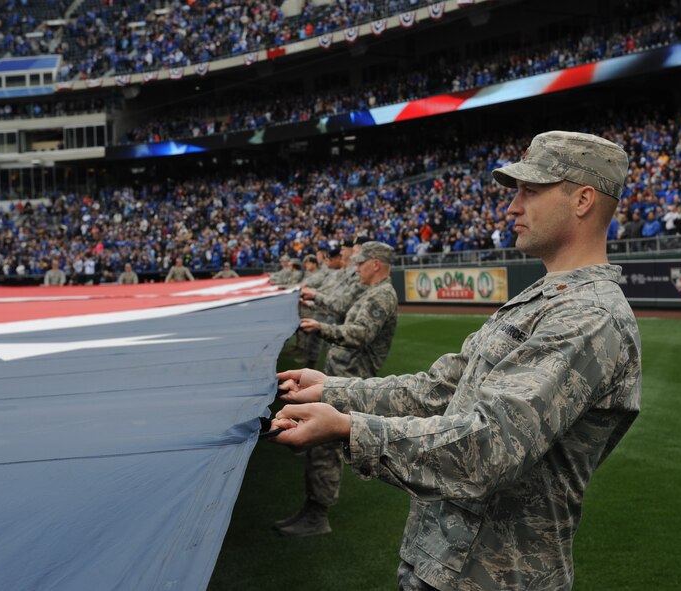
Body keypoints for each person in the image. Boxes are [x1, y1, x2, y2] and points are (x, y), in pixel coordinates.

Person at [271, 131, 642, 590]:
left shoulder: (588, 317)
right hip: (443, 563)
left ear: (583, 199)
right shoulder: (544, 298)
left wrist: (349, 428)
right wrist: (331, 389)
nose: (512, 206)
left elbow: (491, 446)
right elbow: (440, 390)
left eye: (530, 191)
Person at [274, 241, 399, 538]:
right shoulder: (372, 293)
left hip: (352, 380)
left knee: (323, 445)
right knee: (319, 445)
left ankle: (317, 514)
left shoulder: (381, 296)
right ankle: (314, 507)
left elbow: (359, 335)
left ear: (375, 264)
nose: (354, 268)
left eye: (359, 263)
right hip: (342, 376)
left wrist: (322, 328)